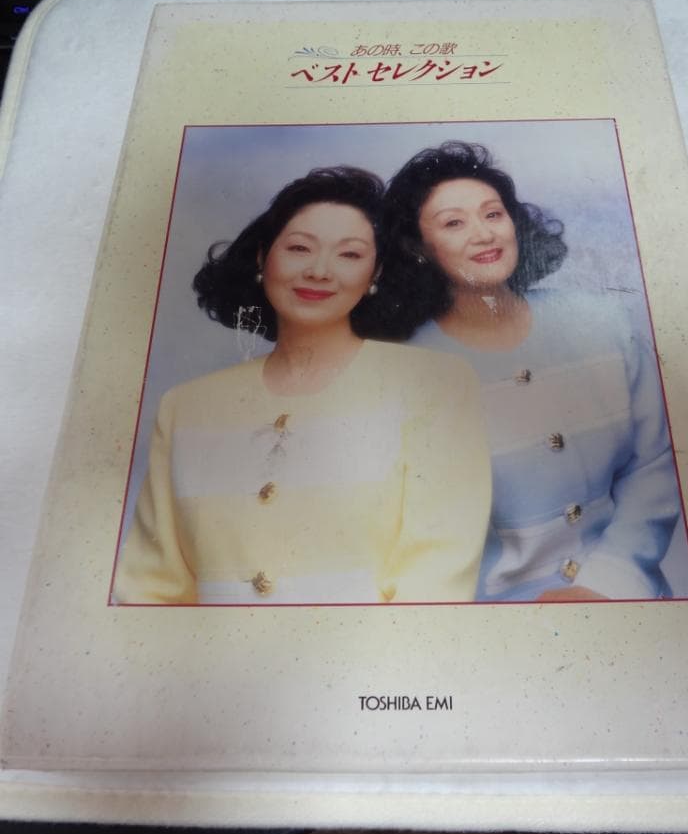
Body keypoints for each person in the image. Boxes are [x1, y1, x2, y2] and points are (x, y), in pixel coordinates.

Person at [112, 166, 491, 606]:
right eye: (299, 248)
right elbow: (150, 588)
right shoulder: (185, 406)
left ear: (376, 273)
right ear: (262, 258)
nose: (319, 271)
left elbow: (436, 576)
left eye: (349, 254)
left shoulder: (435, 385)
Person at [384, 141, 683, 603]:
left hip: (626, 600)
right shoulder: (405, 368)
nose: (484, 234)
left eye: (493, 214)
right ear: (417, 247)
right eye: (453, 223)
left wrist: (609, 581)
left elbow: (654, 467)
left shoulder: (602, 323)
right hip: (494, 621)